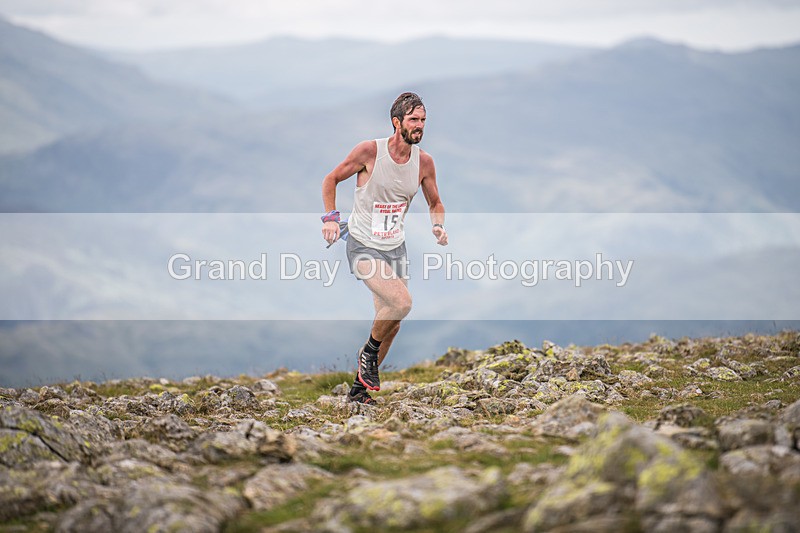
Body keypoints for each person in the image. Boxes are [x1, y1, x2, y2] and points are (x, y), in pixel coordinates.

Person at [321, 92, 448, 404]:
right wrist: (331, 219)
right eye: (414, 120)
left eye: (423, 121)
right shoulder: (370, 152)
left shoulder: (424, 163)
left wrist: (438, 225)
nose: (420, 127)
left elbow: (436, 202)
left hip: (395, 248)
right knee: (402, 302)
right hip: (363, 244)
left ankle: (358, 392)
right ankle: (369, 353)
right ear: (397, 122)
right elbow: (331, 179)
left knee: (391, 323)